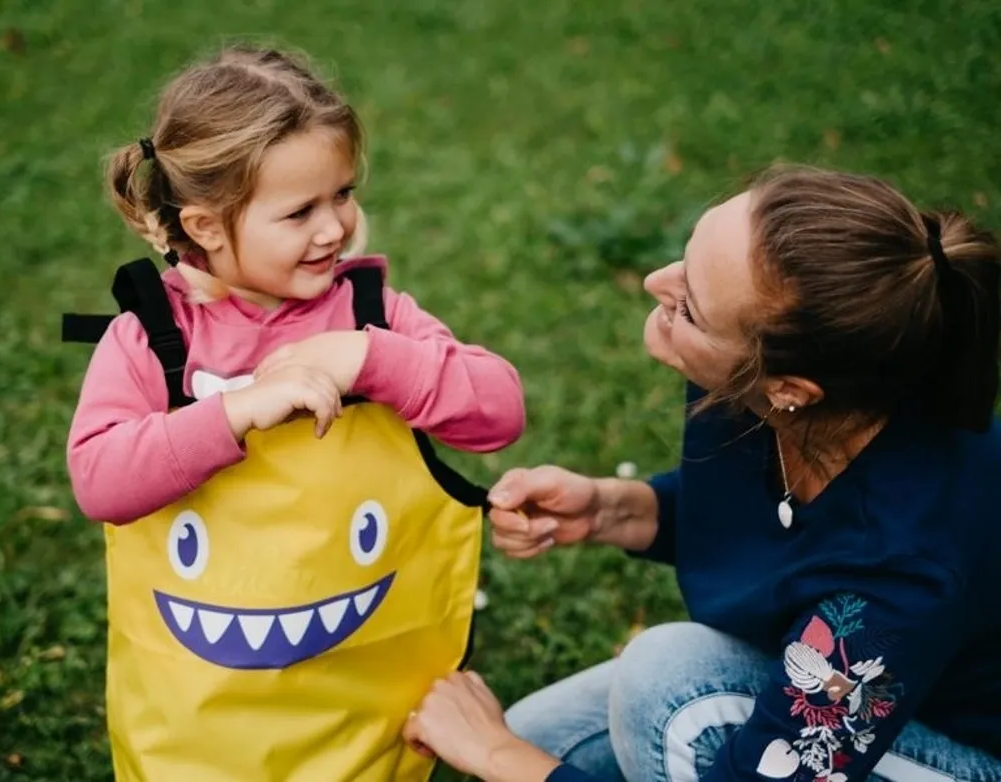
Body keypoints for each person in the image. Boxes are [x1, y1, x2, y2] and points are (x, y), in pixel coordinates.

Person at [403, 166, 1001, 781]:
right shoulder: (768, 396)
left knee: (666, 687)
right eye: (683, 262)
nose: (653, 283)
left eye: (689, 305)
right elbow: (792, 530)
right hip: (862, 690)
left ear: (790, 389)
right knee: (542, 735)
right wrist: (616, 509)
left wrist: (496, 754)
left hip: (964, 749)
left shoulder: (906, 568)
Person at [63, 44, 524, 781]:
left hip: (364, 721)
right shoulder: (153, 338)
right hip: (196, 734)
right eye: (299, 211)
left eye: (341, 194)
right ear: (207, 226)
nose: (333, 228)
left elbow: (498, 411)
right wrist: (235, 411)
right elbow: (99, 479)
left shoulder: (370, 315)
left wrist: (368, 359)